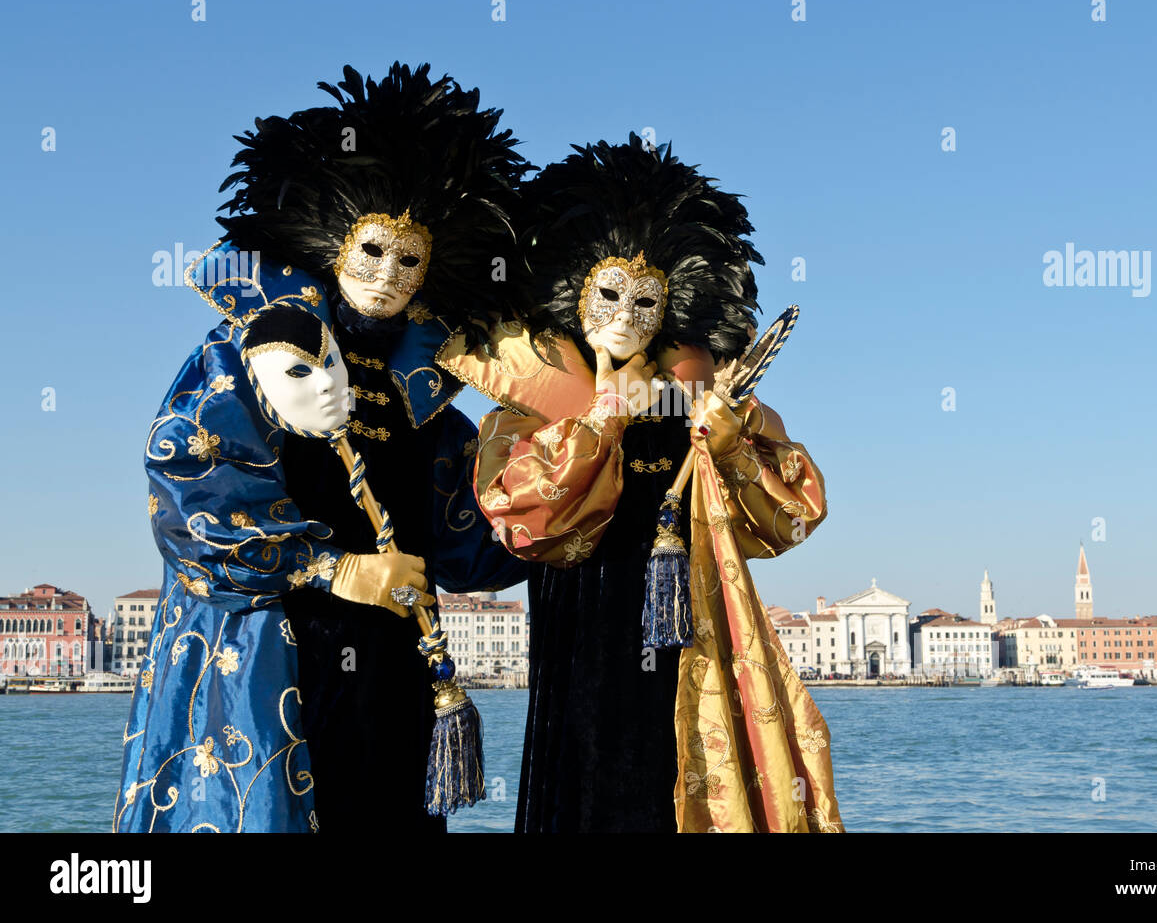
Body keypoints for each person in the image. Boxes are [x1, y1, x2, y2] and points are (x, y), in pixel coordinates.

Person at [113, 62, 529, 833]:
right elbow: (186, 485)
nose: (388, 275)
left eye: (410, 259)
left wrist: (564, 477)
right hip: (274, 656)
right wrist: (332, 568)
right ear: (335, 241)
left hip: (391, 672)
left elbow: (474, 535)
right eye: (373, 249)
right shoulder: (263, 348)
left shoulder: (424, 394)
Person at [453, 135, 843, 832]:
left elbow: (790, 518)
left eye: (646, 301)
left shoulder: (705, 411)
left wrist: (731, 449)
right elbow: (522, 518)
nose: (624, 318)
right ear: (572, 290)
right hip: (580, 664)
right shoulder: (526, 419)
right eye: (608, 294)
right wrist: (603, 417)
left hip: (691, 663)